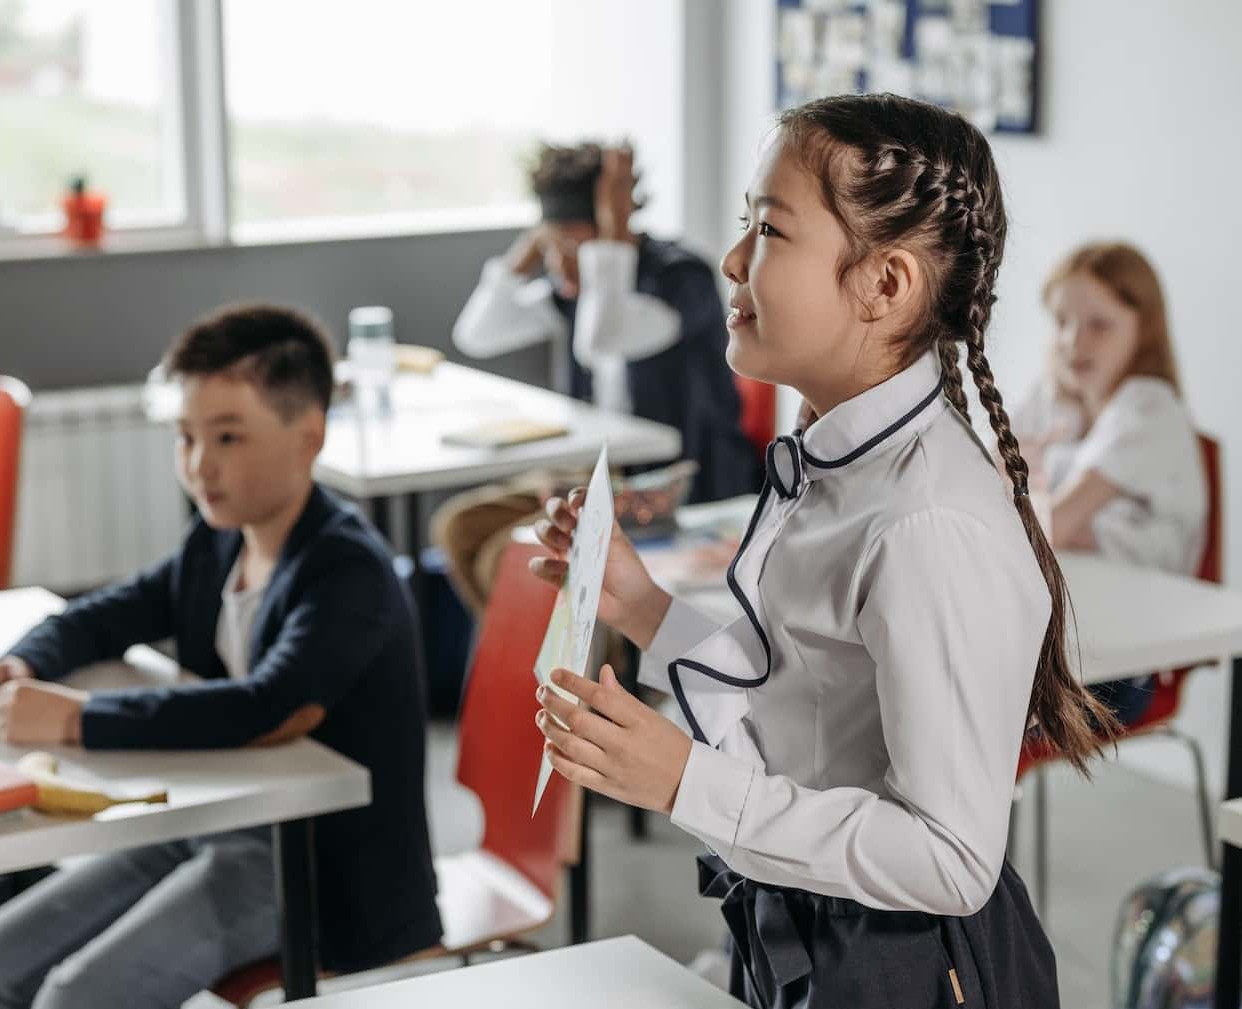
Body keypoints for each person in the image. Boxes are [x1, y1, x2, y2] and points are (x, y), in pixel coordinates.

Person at [530, 95, 1118, 1008]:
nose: (732, 260)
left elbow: (951, 860)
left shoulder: (926, 523)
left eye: (768, 229)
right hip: (814, 934)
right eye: (744, 224)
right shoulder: (836, 455)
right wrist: (639, 605)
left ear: (883, 286)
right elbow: (800, 706)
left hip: (907, 970)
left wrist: (689, 781)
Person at [0, 305, 441, 1009]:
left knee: (77, 998)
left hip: (313, 861)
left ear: (307, 436)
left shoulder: (348, 570)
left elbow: (269, 708)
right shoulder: (218, 538)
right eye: (185, 437)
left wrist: (77, 720)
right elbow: (108, 611)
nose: (198, 464)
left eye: (227, 437)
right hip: (213, 823)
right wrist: (19, 665)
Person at [436, 141, 760, 614]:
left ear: (610, 229)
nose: (555, 260)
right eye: (550, 242)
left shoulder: (678, 278)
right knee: (460, 527)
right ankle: (524, 676)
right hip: (594, 476)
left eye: (570, 243)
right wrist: (532, 249)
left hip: (672, 482)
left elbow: (601, 337)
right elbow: (477, 334)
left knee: (503, 559)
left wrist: (611, 238)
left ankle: (581, 673)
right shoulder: (575, 290)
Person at [1013, 241, 1207, 725]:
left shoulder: (1149, 408)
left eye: (1099, 325)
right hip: (1055, 640)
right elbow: (983, 499)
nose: (1074, 342)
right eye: (1062, 322)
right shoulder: (1055, 398)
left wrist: (1051, 518)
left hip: (1118, 668)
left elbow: (1046, 527)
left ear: (1144, 330)